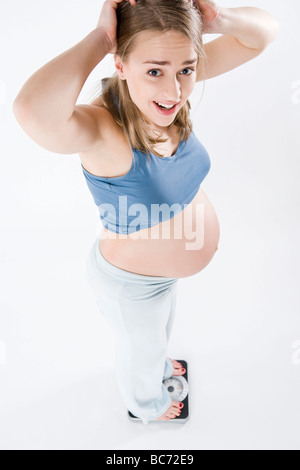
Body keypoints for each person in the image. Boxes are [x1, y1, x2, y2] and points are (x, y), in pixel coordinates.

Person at [13, 0, 280, 424]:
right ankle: (148, 405)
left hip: (160, 276)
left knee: (157, 337)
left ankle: (156, 367)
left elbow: (265, 34)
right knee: (140, 351)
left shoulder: (168, 85)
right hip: (131, 286)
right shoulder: (101, 129)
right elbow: (31, 110)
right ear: (121, 65)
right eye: (154, 70)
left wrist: (215, 21)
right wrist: (102, 39)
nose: (174, 91)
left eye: (186, 70)